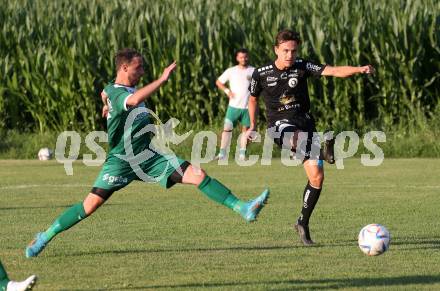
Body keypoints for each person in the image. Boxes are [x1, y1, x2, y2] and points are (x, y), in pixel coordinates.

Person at [25, 48, 269, 258]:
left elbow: (112, 95)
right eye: (138, 68)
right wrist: (162, 80)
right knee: (88, 206)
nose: (142, 72)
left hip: (149, 156)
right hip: (121, 160)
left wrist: (106, 103)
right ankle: (44, 236)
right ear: (124, 67)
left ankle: (243, 208)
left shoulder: (117, 89)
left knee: (197, 174)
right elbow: (128, 99)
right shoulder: (120, 92)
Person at [248, 30, 374, 246]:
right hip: (279, 125)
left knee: (316, 177)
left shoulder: (302, 66)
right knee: (293, 135)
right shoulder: (261, 73)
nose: (290, 55)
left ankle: (302, 223)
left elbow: (333, 71)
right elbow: (252, 99)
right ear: (276, 49)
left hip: (305, 123)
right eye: (286, 50)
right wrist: (251, 125)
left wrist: (359, 69)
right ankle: (325, 152)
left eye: (294, 50)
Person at [215, 48, 255, 161]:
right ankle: (222, 154)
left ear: (248, 57)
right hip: (233, 107)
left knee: (246, 131)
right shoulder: (231, 71)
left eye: (245, 57)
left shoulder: (253, 71)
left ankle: (242, 155)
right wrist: (227, 91)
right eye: (241, 57)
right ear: (237, 58)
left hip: (247, 107)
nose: (244, 59)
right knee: (227, 129)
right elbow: (218, 82)